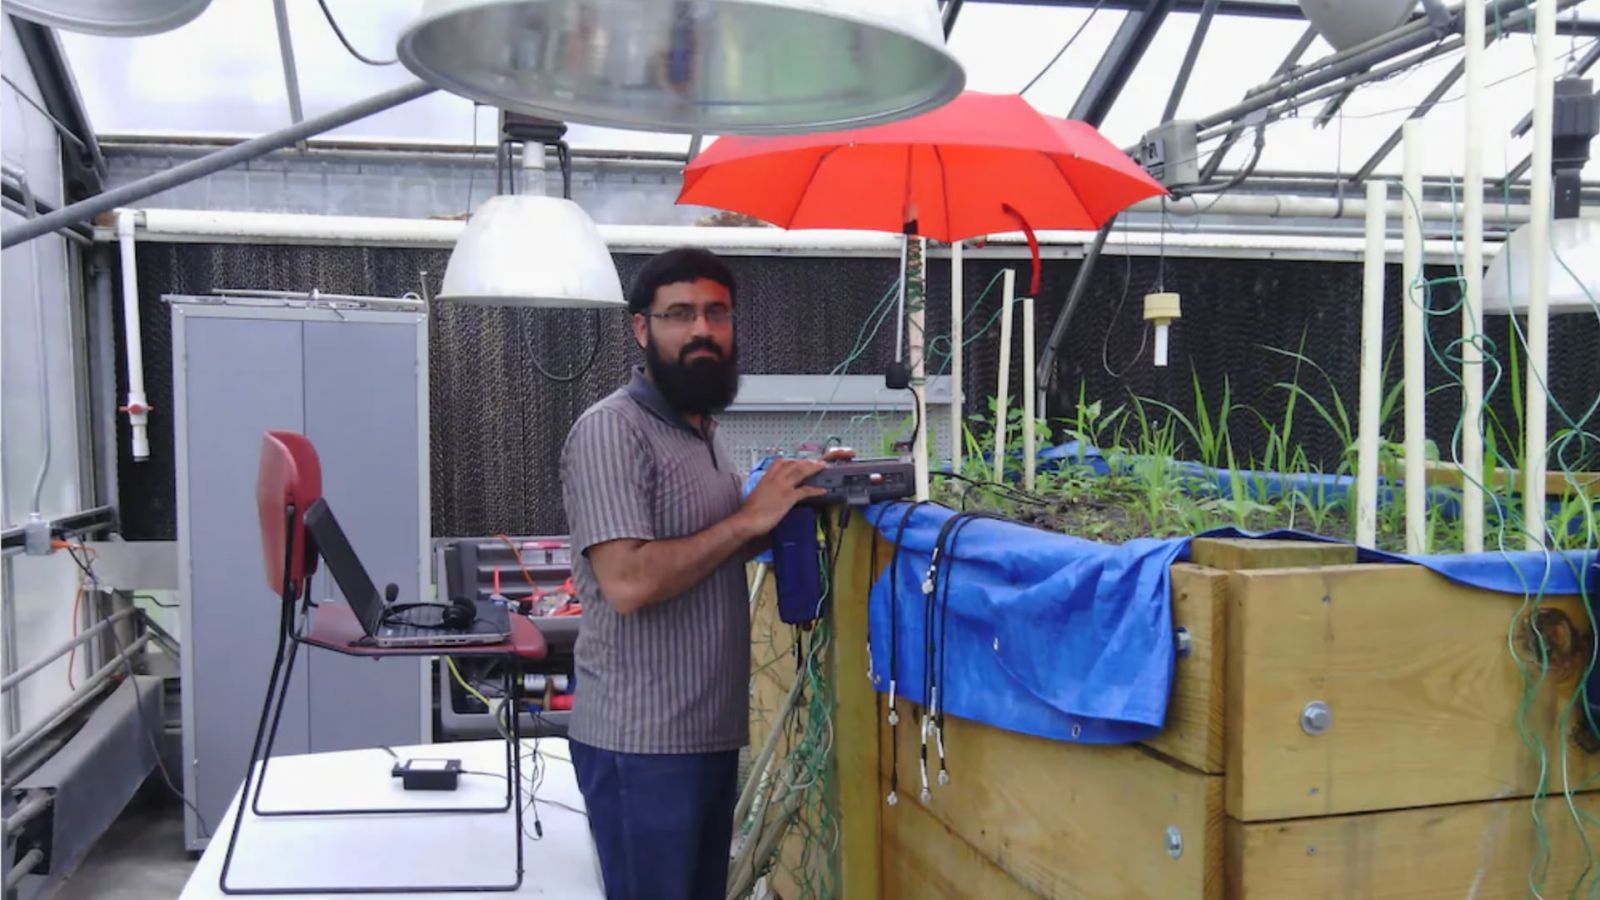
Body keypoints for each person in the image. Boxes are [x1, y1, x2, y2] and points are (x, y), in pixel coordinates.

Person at [559, 247, 827, 900]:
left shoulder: (702, 432)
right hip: (642, 745)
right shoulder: (612, 432)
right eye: (679, 314)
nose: (702, 329)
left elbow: (705, 552)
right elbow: (628, 582)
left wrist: (794, 502)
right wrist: (745, 521)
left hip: (705, 735)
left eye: (716, 312)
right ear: (643, 329)